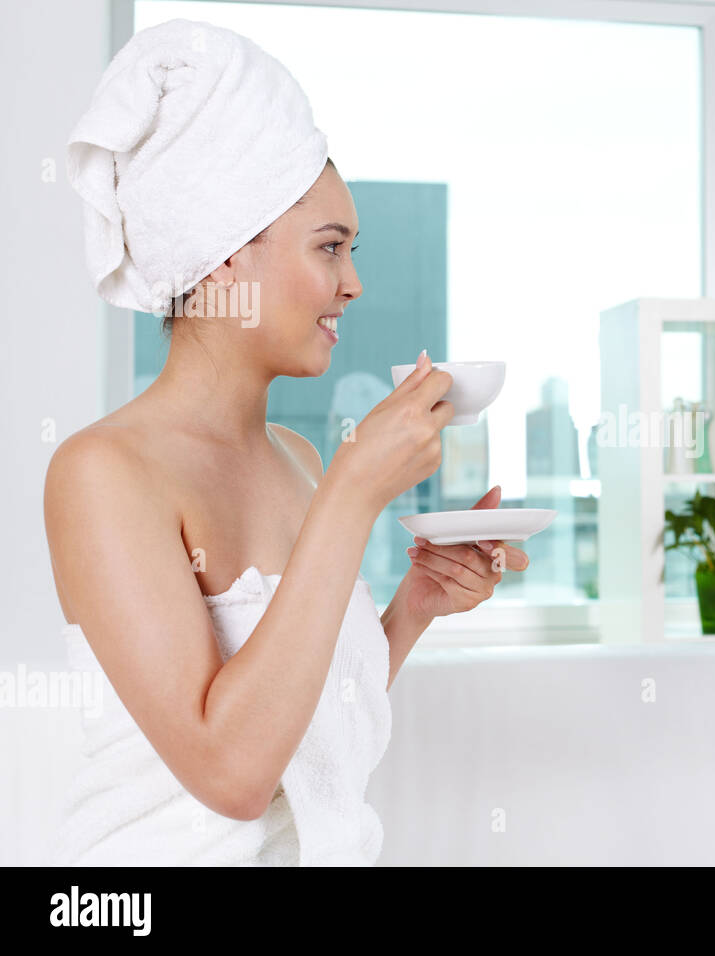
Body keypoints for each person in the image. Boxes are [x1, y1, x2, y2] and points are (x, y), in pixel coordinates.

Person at [44, 18, 526, 865]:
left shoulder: (296, 463)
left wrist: (412, 610)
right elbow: (230, 773)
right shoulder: (103, 474)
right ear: (226, 257)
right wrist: (353, 495)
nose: (354, 282)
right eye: (330, 248)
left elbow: (313, 726)